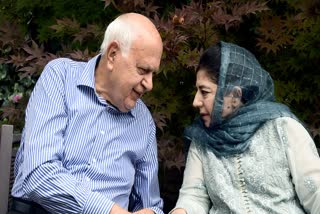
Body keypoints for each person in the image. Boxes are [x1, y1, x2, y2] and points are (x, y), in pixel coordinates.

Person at [10, 13, 164, 214]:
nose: (150, 84)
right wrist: (110, 211)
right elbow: (39, 175)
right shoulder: (60, 78)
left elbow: (150, 203)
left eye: (153, 74)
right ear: (113, 55)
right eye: (143, 70)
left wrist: (151, 212)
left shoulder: (143, 121)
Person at [170, 41, 320, 214]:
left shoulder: (283, 128)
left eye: (204, 92)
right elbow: (194, 196)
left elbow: (315, 191)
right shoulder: (202, 139)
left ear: (234, 95)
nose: (195, 102)